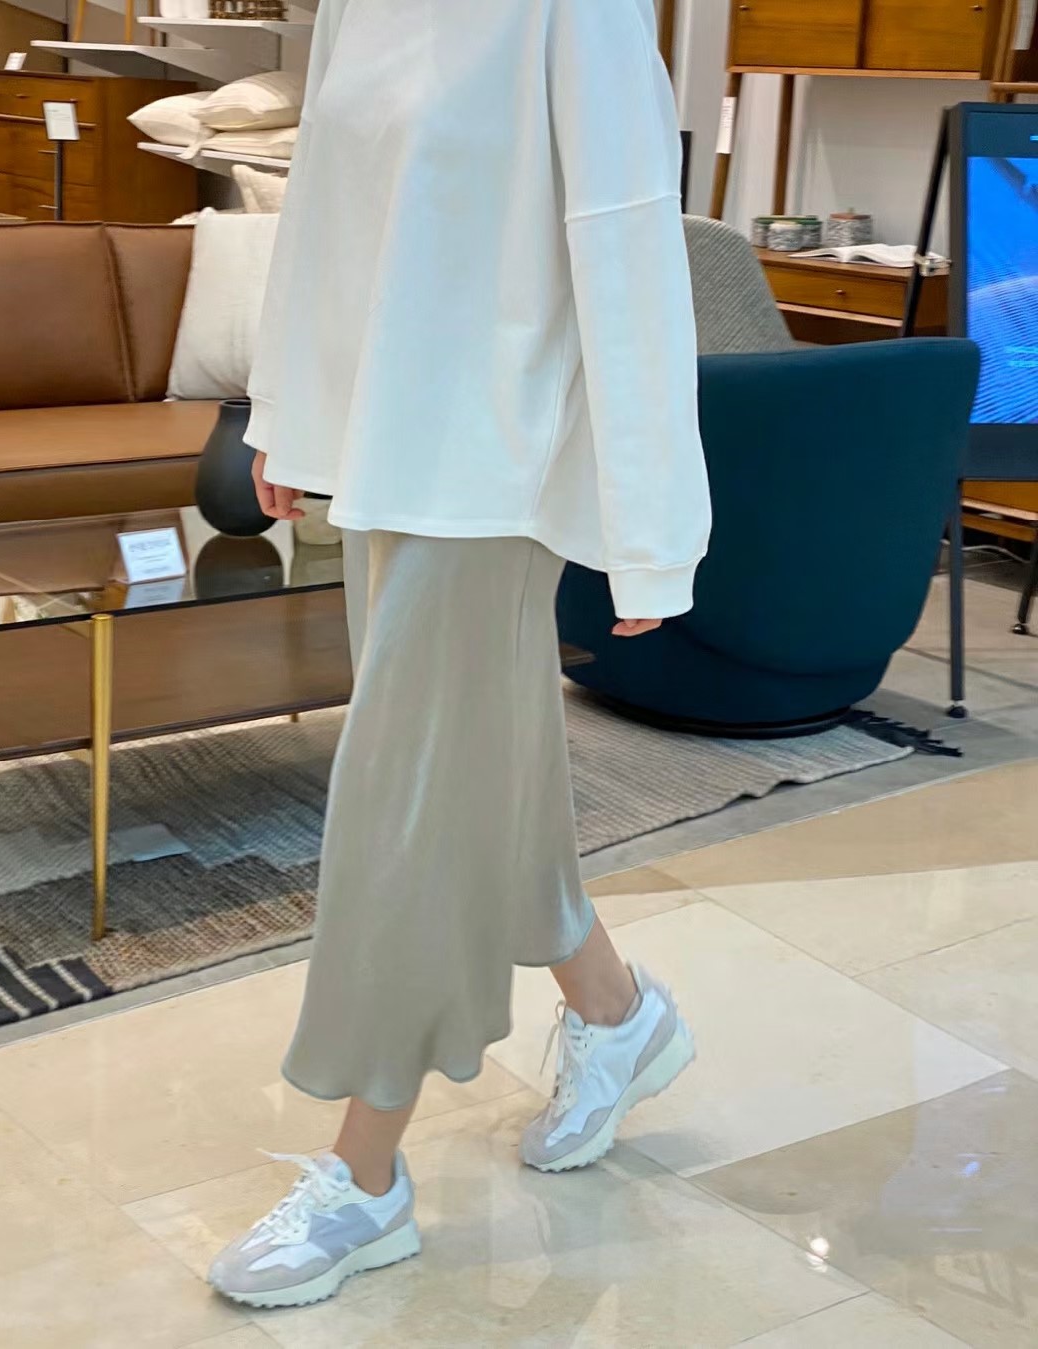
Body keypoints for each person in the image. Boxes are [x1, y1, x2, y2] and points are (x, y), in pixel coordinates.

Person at [209, 0, 711, 1310]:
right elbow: (329, 208)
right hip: (385, 445)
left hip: (496, 470)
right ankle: (617, 1011)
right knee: (481, 787)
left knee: (406, 810)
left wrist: (652, 527)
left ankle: (365, 1174)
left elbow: (628, 247)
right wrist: (287, 407)